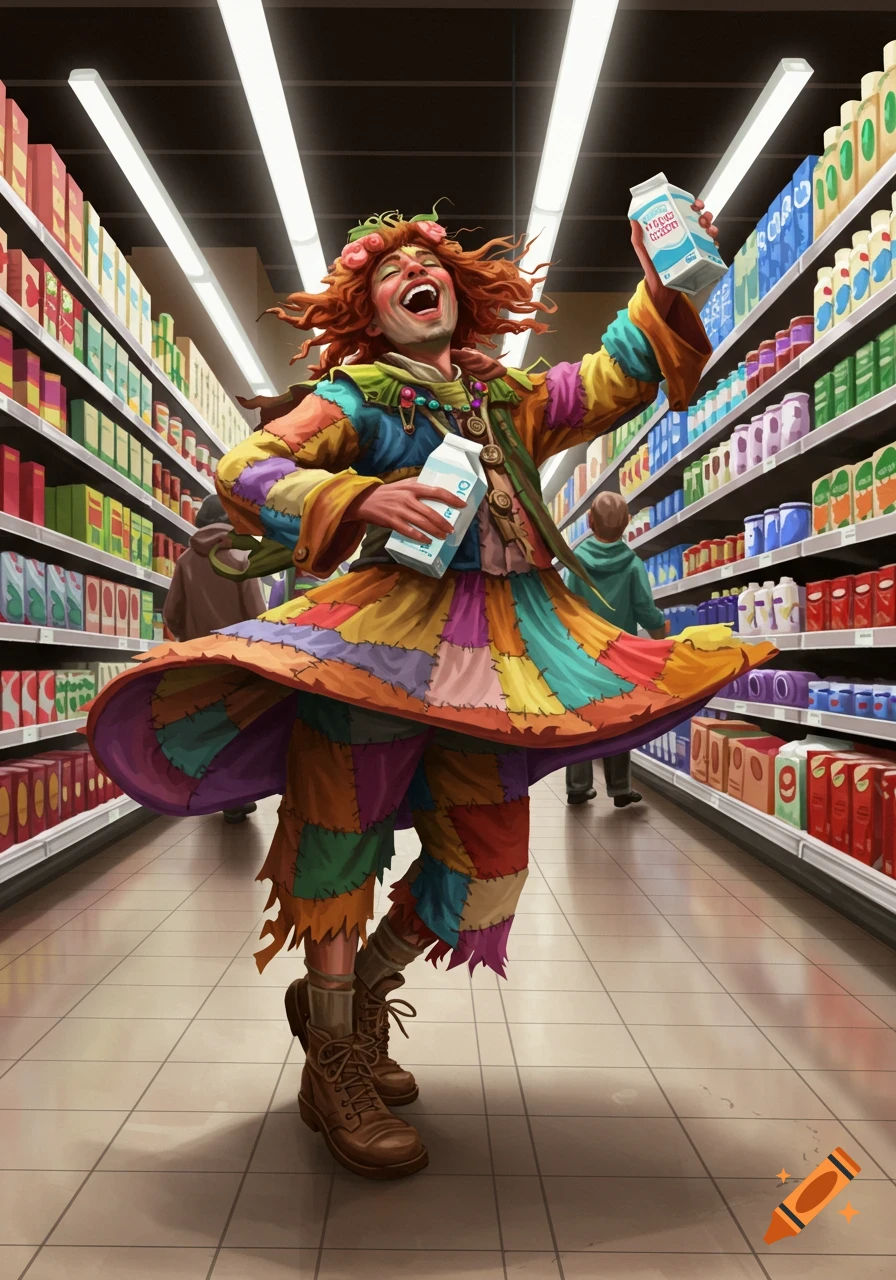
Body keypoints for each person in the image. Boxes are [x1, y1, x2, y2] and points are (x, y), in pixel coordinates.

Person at [87, 203, 774, 1180]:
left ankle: (359, 996)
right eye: (389, 269)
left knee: (491, 861)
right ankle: (334, 1063)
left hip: (494, 655)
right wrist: (355, 494)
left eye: (430, 263)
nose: (417, 271)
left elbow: (610, 379)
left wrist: (659, 287)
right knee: (338, 842)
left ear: (457, 292)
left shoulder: (509, 396)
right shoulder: (358, 396)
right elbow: (246, 469)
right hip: (377, 643)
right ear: (371, 310)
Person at [162, 493, 265, 824]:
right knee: (240, 724)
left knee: (207, 726)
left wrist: (188, 637)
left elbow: (171, 614)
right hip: (238, 660)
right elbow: (255, 614)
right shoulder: (241, 556)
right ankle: (237, 795)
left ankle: (214, 793)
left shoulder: (185, 561)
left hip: (199, 660)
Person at [564, 490, 670, 808]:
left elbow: (568, 607)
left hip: (583, 653)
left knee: (582, 718)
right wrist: (662, 636)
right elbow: (645, 609)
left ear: (589, 521)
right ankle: (620, 788)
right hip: (620, 654)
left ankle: (578, 786)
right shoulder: (632, 564)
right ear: (626, 524)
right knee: (620, 717)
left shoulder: (576, 562)